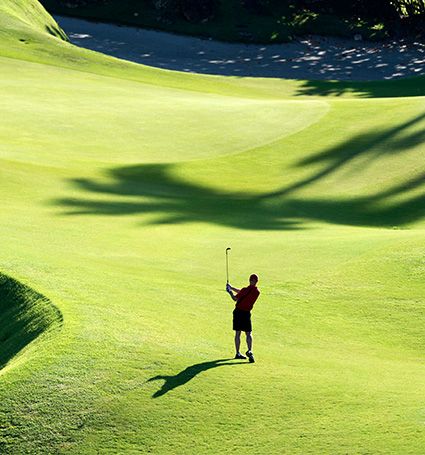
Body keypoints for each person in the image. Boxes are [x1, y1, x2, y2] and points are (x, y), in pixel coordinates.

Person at [226, 274, 260, 363]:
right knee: (248, 333)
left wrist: (229, 291)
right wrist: (232, 287)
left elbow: (235, 298)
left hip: (238, 312)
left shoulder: (245, 290)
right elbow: (242, 292)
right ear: (256, 281)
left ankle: (237, 353)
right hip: (247, 313)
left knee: (238, 333)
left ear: (249, 280)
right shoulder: (257, 292)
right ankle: (250, 350)